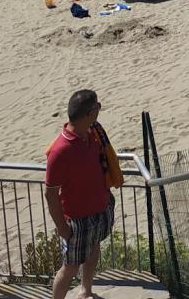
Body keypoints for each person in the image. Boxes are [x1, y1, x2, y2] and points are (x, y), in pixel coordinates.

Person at [45, 90, 119, 299]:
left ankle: (86, 290)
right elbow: (50, 195)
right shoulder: (60, 151)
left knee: (94, 248)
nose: (99, 109)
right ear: (89, 113)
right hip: (76, 219)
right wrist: (62, 227)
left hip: (100, 209)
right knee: (69, 267)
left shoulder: (93, 134)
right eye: (97, 107)